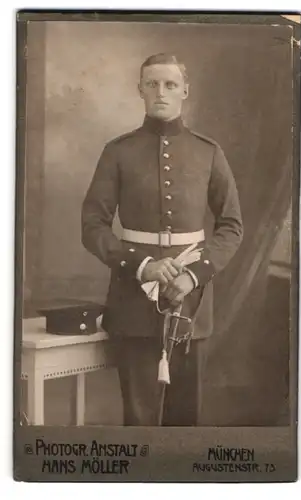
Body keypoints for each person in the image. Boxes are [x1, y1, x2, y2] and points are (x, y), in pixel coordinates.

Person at [81, 53, 243, 426]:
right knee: (139, 422)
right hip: (133, 300)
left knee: (185, 421)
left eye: (170, 84)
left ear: (185, 90)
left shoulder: (209, 152)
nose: (161, 92)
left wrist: (192, 276)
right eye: (152, 84)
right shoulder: (118, 152)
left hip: (193, 302)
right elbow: (93, 225)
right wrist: (143, 266)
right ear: (139, 90)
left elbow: (232, 225)